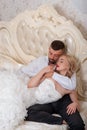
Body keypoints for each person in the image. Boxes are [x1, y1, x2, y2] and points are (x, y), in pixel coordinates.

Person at [22, 40, 85, 130]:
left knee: (78, 125)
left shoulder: (70, 74)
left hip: (63, 101)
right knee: (27, 113)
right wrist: (44, 71)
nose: (54, 59)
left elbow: (72, 89)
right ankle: (61, 121)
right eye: (51, 53)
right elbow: (30, 83)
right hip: (46, 102)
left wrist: (75, 102)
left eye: (59, 58)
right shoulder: (48, 70)